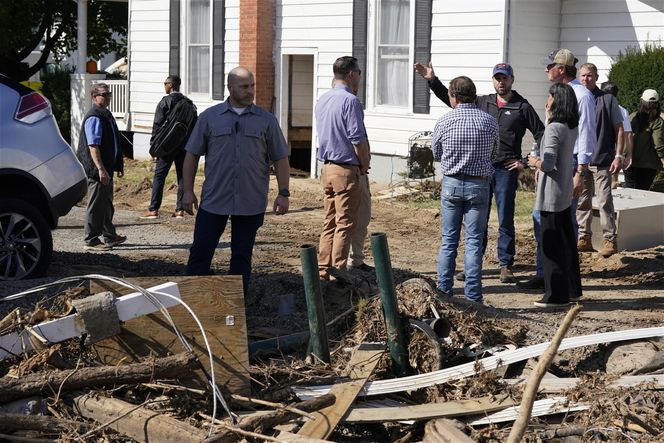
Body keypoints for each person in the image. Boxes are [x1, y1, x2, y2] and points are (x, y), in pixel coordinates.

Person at [414, 61, 544, 283]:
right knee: (478, 220)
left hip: (504, 168)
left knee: (505, 217)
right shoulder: (484, 102)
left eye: (505, 78)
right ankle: (475, 265)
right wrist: (432, 81)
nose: (501, 82)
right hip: (482, 169)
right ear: (493, 80)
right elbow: (453, 100)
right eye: (497, 78)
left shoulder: (522, 107)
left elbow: (541, 132)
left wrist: (526, 161)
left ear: (512, 80)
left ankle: (505, 265)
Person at [182, 67, 290, 295]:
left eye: (252, 85)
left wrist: (284, 192)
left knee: (241, 257)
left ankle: (236, 308)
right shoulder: (210, 118)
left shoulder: (266, 121)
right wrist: (188, 191)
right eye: (244, 86)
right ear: (230, 88)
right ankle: (193, 301)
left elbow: (280, 157)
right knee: (201, 251)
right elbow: (191, 154)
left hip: (250, 201)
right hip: (214, 200)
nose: (250, 91)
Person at [519, 48, 596, 290]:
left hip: (568, 163)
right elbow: (547, 133)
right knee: (544, 220)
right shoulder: (559, 94)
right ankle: (547, 274)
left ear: (561, 69)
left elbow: (585, 136)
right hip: (555, 161)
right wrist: (537, 156)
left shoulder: (580, 95)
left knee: (561, 223)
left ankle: (562, 278)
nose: (546, 70)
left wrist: (580, 173)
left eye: (549, 66)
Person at [432, 76, 499, 304]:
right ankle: (473, 296)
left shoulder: (445, 121)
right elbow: (494, 153)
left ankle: (444, 292)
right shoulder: (489, 122)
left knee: (449, 241)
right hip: (479, 184)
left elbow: (436, 153)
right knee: (473, 242)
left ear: (453, 96)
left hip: (451, 182)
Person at [527, 82, 582, 307]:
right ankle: (571, 290)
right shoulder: (570, 127)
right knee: (567, 242)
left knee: (551, 246)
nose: (546, 101)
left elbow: (548, 164)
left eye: (549, 97)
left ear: (556, 100)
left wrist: (534, 161)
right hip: (564, 192)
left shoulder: (553, 129)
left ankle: (555, 296)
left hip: (551, 194)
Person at [315, 56, 370, 280]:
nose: (359, 78)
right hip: (346, 168)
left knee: (330, 221)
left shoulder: (323, 99)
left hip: (327, 168)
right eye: (358, 73)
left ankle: (322, 269)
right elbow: (357, 138)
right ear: (350, 74)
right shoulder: (350, 101)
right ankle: (338, 271)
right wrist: (364, 165)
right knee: (345, 222)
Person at [577, 63, 624, 257]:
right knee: (582, 201)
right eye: (583, 76)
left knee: (604, 201)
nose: (586, 79)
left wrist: (618, 155)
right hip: (581, 160)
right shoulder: (576, 98)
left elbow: (619, 128)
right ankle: (584, 238)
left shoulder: (607, 100)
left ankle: (609, 240)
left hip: (602, 159)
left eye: (589, 75)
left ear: (596, 77)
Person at [76, 83, 126, 251]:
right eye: (103, 94)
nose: (107, 97)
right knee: (96, 203)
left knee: (106, 203)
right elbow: (93, 146)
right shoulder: (95, 116)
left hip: (106, 168)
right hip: (97, 169)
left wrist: (117, 164)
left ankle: (110, 236)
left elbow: (112, 142)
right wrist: (101, 169)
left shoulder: (105, 114)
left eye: (108, 94)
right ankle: (91, 240)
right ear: (94, 97)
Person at [141, 75, 195, 219]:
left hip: (166, 146)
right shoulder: (189, 104)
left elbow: (157, 125)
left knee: (159, 176)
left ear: (171, 85)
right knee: (182, 177)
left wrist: (154, 146)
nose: (164, 86)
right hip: (184, 145)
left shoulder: (165, 102)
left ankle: (153, 209)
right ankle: (179, 210)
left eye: (165, 83)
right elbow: (193, 126)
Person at [624, 89, 664, 190]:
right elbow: (659, 144)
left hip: (629, 162)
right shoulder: (657, 121)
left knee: (629, 192)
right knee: (642, 195)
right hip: (648, 165)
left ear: (641, 102)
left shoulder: (632, 117)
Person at [601, 81, 634, 181]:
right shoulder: (622, 111)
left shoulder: (594, 106)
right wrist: (629, 155)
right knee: (611, 184)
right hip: (614, 153)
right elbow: (628, 134)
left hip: (598, 152)